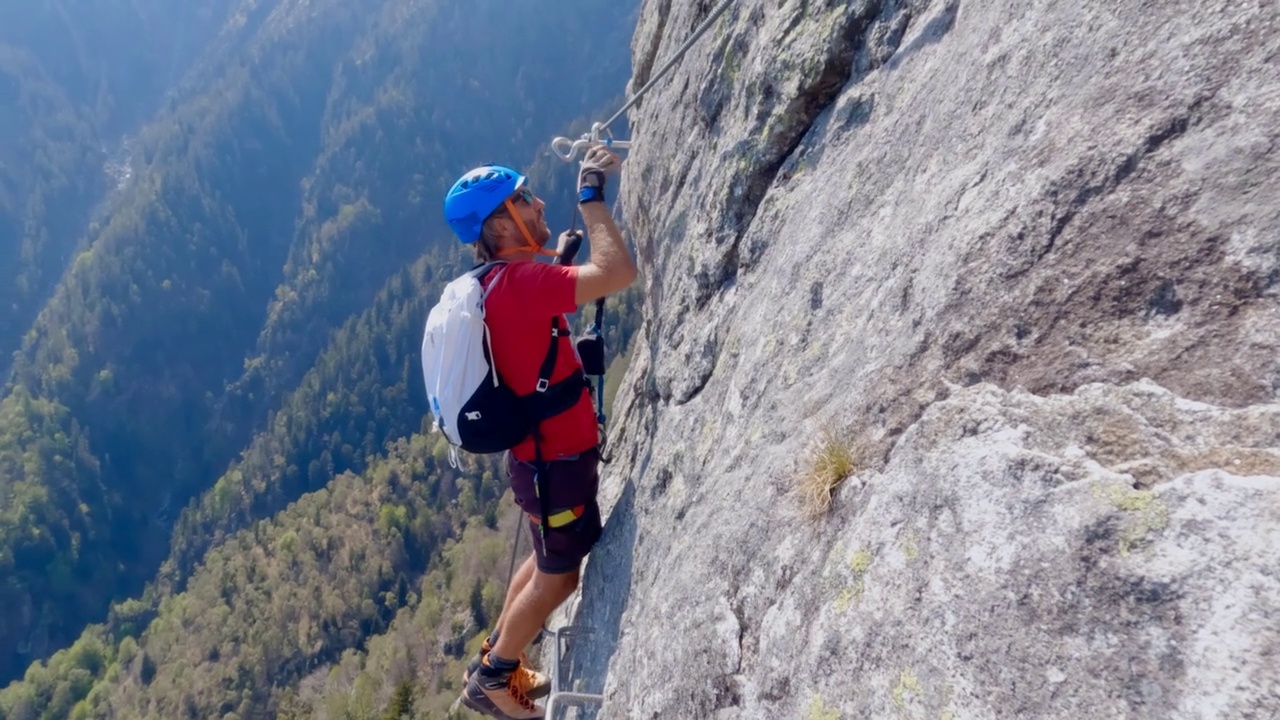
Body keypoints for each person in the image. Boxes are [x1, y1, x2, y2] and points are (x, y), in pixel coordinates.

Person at [443, 145, 637, 720]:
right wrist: (592, 200)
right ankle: (493, 679)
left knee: (543, 553)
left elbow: (531, 326)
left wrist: (559, 265)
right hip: (554, 464)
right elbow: (617, 274)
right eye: (523, 197)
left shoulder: (499, 283)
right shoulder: (519, 283)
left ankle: (497, 656)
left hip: (540, 464)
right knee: (558, 575)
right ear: (501, 223)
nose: (538, 200)